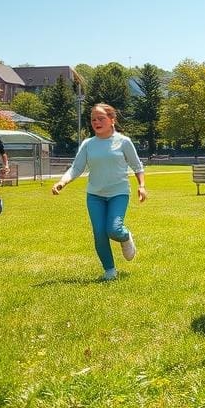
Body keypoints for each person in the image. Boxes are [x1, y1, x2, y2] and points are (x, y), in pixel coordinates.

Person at [50, 104, 144, 280]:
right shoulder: (88, 144)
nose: (96, 122)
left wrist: (142, 185)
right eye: (93, 119)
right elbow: (76, 168)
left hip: (118, 193)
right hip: (95, 195)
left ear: (112, 120)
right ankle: (109, 271)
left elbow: (137, 166)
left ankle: (125, 236)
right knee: (99, 233)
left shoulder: (124, 142)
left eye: (101, 118)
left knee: (114, 229)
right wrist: (62, 182)